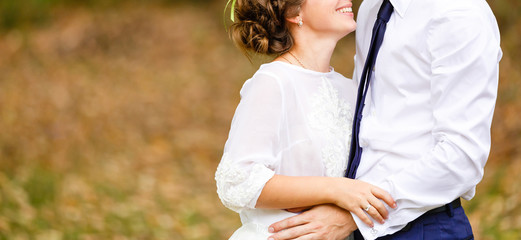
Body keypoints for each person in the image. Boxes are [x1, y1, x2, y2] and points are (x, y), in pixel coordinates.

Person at [267, 0, 502, 239]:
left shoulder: (457, 12)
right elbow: (366, 122)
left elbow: (461, 157)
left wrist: (356, 215)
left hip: (420, 226)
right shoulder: (372, 8)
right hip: (357, 221)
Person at [214, 0, 397, 239]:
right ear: (294, 13)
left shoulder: (350, 89)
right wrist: (336, 189)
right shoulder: (272, 82)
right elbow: (237, 181)